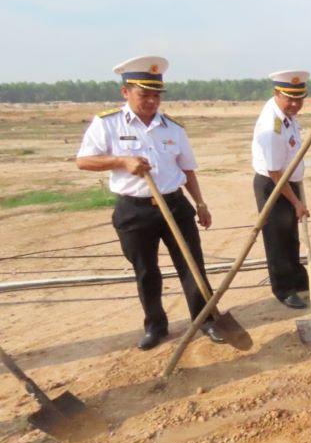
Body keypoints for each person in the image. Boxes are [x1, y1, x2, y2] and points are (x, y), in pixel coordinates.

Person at [76, 56, 223, 350]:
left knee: (192, 263)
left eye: (157, 95)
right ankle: (156, 326)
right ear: (126, 92)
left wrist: (201, 203)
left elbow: (188, 169)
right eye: (145, 94)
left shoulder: (172, 128)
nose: (152, 101)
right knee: (146, 271)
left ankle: (205, 319)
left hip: (175, 205)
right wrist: (121, 161)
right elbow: (83, 160)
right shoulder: (107, 124)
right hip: (134, 209)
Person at [251, 70, 311, 309]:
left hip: (288, 182)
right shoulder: (271, 126)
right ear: (276, 94)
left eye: (299, 99)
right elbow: (275, 172)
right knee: (277, 238)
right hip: (273, 186)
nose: (295, 104)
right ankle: (284, 289)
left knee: (291, 236)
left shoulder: (286, 116)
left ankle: (298, 280)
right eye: (290, 99)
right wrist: (296, 203)